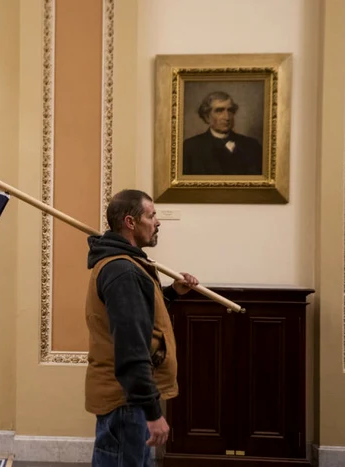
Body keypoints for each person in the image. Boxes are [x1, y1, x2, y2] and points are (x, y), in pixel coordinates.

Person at [85, 189, 198, 466]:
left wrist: (171, 293)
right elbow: (132, 346)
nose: (157, 222)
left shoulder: (127, 266)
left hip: (128, 398)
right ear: (130, 222)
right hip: (127, 401)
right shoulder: (123, 271)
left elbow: (140, 319)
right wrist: (152, 412)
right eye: (152, 215)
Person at [182, 91, 263, 175]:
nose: (227, 117)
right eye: (219, 111)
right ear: (207, 117)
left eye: (230, 110)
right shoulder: (190, 147)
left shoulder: (252, 145)